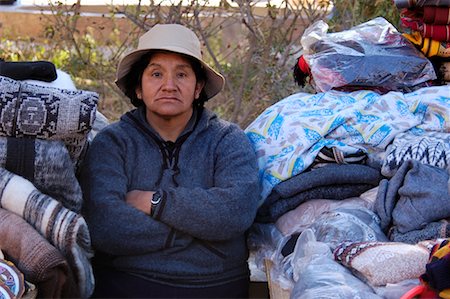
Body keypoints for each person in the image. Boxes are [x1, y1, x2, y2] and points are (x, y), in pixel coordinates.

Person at [79, 23, 261, 298]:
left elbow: (235, 211)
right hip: (128, 284)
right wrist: (196, 230)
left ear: (198, 87)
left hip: (215, 286)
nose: (169, 85)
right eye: (156, 73)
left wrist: (155, 202)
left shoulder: (227, 140)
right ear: (138, 87)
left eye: (181, 74)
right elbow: (105, 224)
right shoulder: (113, 143)